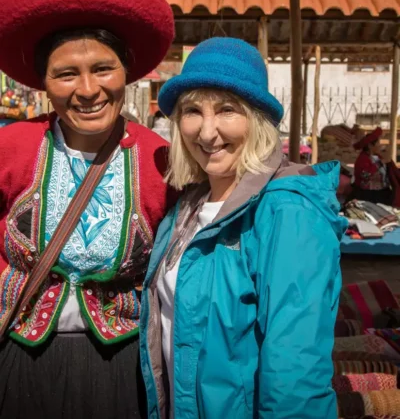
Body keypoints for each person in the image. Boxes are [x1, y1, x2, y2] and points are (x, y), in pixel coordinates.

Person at [0, 0, 176, 418]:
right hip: (18, 354)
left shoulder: (162, 161)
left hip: (120, 366)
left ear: (126, 72)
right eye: (66, 74)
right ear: (43, 83)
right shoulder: (12, 147)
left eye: (103, 69)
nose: (87, 90)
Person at [140, 37, 347, 418]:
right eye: (192, 111)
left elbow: (295, 376)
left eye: (227, 110)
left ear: (257, 119)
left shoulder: (287, 213)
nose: (206, 132)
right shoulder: (186, 208)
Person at [353, 127, 393, 204]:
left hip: (383, 194)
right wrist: (380, 163)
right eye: (378, 143)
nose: (379, 145)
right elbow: (365, 175)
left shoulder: (378, 157)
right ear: (370, 145)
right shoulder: (362, 160)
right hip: (369, 196)